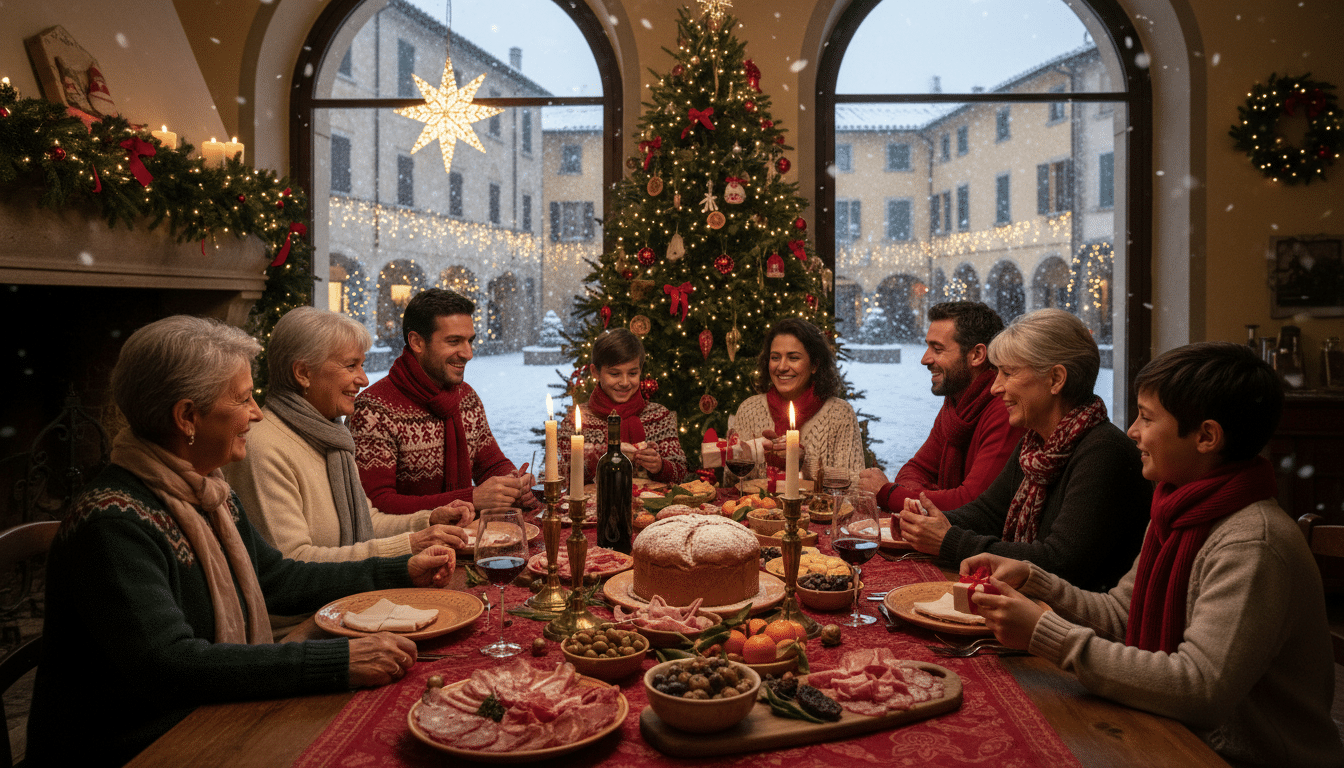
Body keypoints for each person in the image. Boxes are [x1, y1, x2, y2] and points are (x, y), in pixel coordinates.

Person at [27, 316, 456, 768]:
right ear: (187, 417)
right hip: (137, 744)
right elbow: (170, 665)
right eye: (243, 398)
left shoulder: (207, 491)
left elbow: (275, 576)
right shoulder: (112, 521)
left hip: (200, 715)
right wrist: (336, 661)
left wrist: (400, 569)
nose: (256, 412)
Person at [964, 342, 1344, 768]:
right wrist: (1033, 579)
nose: (1132, 431)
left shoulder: (1252, 542)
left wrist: (1045, 634)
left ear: (1206, 437)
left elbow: (1199, 688)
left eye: (1147, 417)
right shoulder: (1177, 509)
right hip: (1177, 735)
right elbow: (1121, 616)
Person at [225, 307, 476, 638]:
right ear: (303, 373)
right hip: (302, 629)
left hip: (352, 606)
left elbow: (364, 521)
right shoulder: (264, 446)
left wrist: (428, 522)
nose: (364, 378)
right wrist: (410, 544)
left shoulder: (329, 433)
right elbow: (292, 565)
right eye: (351, 365)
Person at [897, 308, 1149, 591]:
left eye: (1007, 373)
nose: (995, 388)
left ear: (1056, 379)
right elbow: (990, 512)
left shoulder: (1103, 453)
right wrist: (928, 521)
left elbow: (1060, 563)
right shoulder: (1035, 443)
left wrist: (948, 540)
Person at [351, 289, 536, 514]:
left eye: (469, 341)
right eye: (454, 341)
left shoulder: (466, 397)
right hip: (410, 547)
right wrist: (472, 498)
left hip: (465, 538)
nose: (468, 353)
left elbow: (491, 464)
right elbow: (376, 507)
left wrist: (513, 482)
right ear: (417, 342)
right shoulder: (373, 410)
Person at [859, 301, 1024, 513]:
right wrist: (930, 500)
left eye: (937, 349)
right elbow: (915, 469)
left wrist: (889, 493)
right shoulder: (956, 404)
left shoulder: (1005, 410)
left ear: (977, 355)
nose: (924, 359)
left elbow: (971, 503)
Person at [732, 317, 864, 483]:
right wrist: (752, 455)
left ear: (815, 365)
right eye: (775, 357)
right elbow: (732, 483)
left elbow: (857, 485)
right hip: (759, 508)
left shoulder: (840, 414)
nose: (781, 367)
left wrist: (804, 463)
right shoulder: (749, 410)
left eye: (793, 358)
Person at [557, 328, 688, 483]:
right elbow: (560, 475)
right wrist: (599, 455)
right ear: (595, 372)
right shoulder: (576, 421)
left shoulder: (659, 416)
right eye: (614, 374)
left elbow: (682, 472)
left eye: (632, 374)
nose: (625, 383)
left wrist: (660, 466)